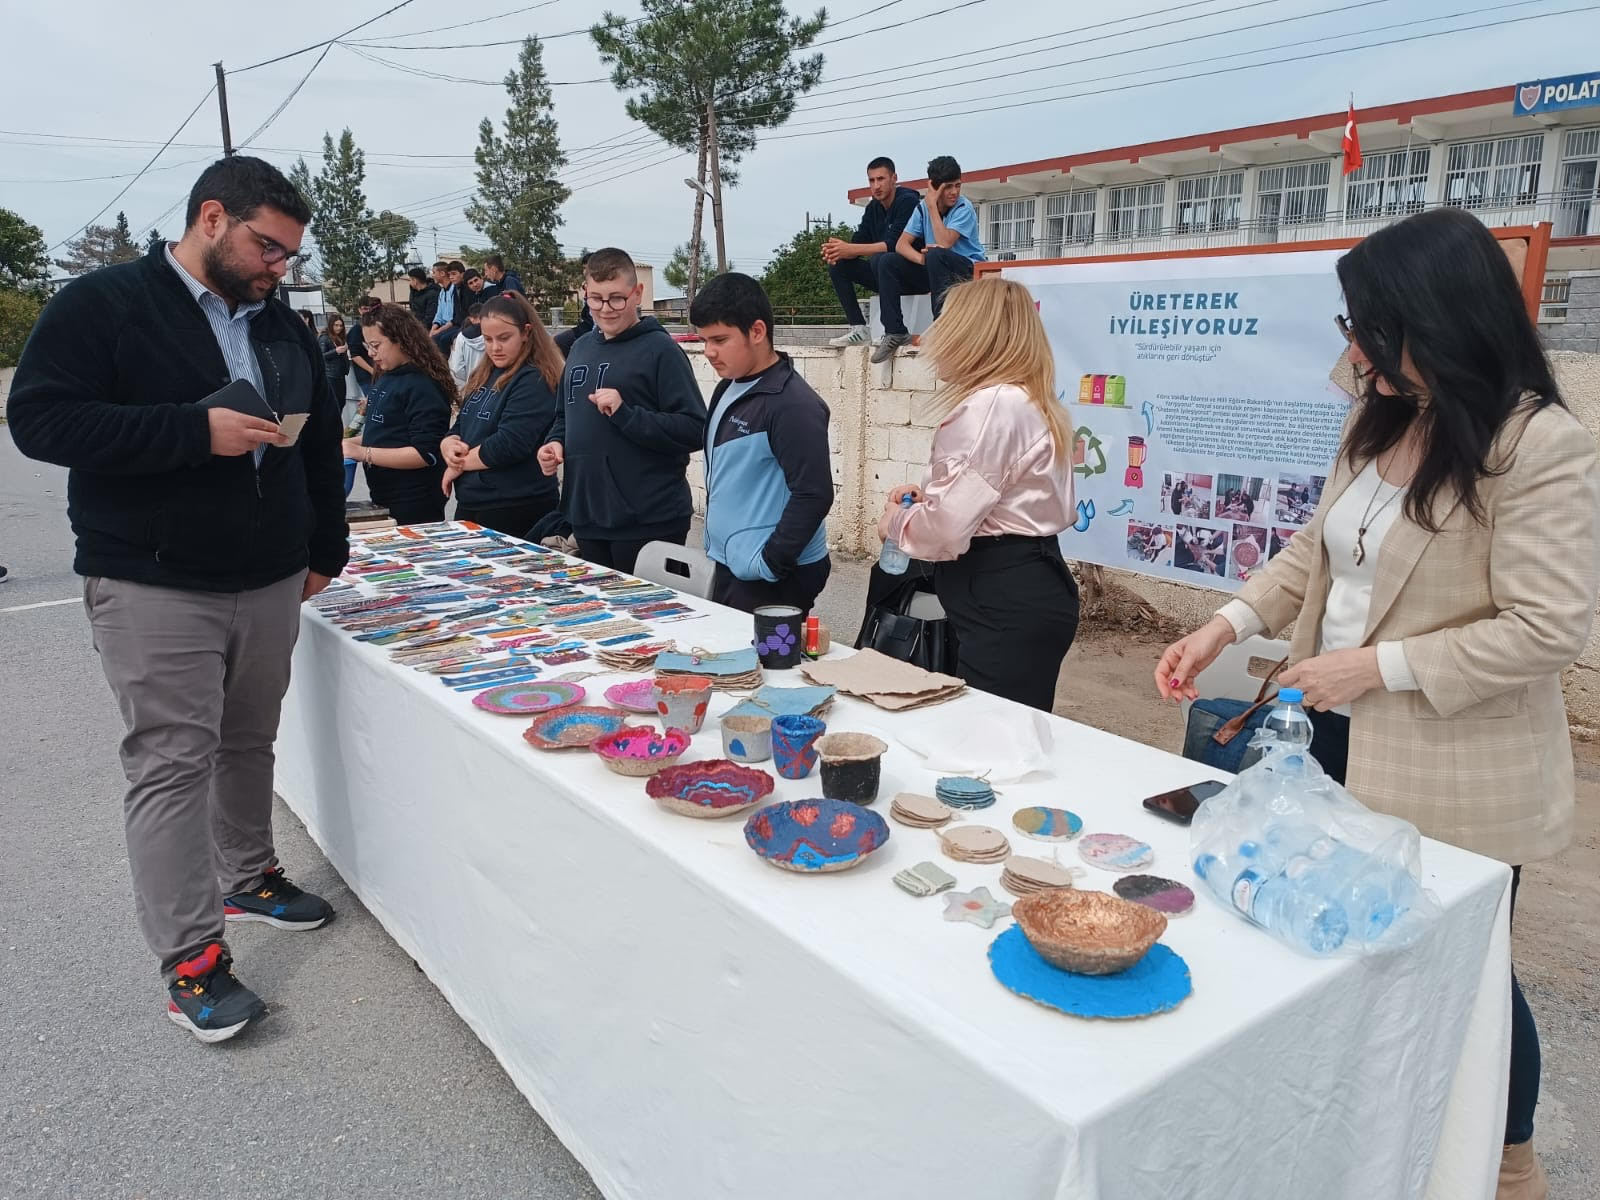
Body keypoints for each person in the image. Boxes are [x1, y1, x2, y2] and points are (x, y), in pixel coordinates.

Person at [1154, 207, 1600, 1200]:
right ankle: (1358, 1124)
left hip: (1452, 765)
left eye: (1369, 327)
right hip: (1328, 741)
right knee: (1332, 938)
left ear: (1434, 319)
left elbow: (1544, 629)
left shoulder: (1538, 445)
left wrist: (1375, 667)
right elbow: (1314, 550)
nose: (1354, 349)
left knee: (1466, 970)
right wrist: (1224, 625)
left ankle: (1506, 1156)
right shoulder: (1384, 412)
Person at [7, 154, 348, 1043]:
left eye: (289, 256)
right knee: (169, 765)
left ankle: (250, 876)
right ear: (210, 219)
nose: (282, 268)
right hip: (152, 580)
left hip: (270, 574)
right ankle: (192, 961)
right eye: (269, 248)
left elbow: (314, 443)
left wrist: (325, 549)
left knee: (249, 741)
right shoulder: (106, 303)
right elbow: (42, 420)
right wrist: (193, 431)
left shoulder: (280, 326)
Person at [875, 277, 1077, 710]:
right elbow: (990, 498)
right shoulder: (1025, 400)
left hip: (1001, 592)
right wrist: (929, 497)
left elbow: (944, 531)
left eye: (946, 324)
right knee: (1007, 730)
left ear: (975, 335)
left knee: (991, 742)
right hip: (1026, 581)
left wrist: (895, 521)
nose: (932, 338)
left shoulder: (992, 405)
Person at [537, 246, 707, 574]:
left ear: (637, 293)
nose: (606, 309)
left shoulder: (661, 350)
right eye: (596, 299)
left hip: (649, 519)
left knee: (652, 621)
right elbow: (564, 417)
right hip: (586, 516)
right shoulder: (580, 347)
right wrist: (554, 443)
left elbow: (695, 428)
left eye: (617, 298)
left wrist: (626, 413)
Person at [690, 272, 833, 613]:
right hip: (732, 564)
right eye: (704, 340)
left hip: (769, 576)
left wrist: (769, 563)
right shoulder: (730, 386)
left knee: (763, 666)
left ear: (757, 331)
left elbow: (814, 493)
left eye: (720, 340)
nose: (709, 352)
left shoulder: (793, 404)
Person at [442, 293, 563, 537]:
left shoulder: (535, 378)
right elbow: (462, 425)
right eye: (488, 339)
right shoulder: (484, 374)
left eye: (504, 338)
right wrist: (449, 444)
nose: (495, 348)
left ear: (526, 332)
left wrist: (459, 465)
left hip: (516, 506)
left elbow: (510, 443)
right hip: (473, 502)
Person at [344, 303, 453, 526]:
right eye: (367, 346)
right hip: (384, 495)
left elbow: (425, 454)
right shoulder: (386, 376)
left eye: (376, 345)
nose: (371, 353)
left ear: (401, 340)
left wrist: (362, 452)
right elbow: (387, 434)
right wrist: (346, 445)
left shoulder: (422, 385)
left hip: (415, 501)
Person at [872, 155, 986, 364]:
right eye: (948, 187)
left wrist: (933, 206)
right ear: (934, 187)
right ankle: (895, 331)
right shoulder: (921, 209)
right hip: (937, 265)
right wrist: (923, 260)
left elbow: (945, 242)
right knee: (886, 260)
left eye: (957, 185)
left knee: (936, 253)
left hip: (968, 271)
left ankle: (941, 329)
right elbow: (901, 245)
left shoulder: (963, 208)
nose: (954, 192)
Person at [823, 157, 920, 348]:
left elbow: (895, 244)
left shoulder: (908, 201)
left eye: (881, 179)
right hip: (887, 277)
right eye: (871, 180)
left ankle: (894, 331)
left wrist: (851, 249)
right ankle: (859, 329)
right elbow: (859, 242)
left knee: (882, 259)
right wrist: (837, 251)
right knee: (839, 266)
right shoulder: (873, 208)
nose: (876, 186)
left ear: (894, 178)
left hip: (915, 274)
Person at [554, 252, 596, 356]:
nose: (585, 272)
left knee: (560, 341)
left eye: (588, 268)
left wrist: (595, 337)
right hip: (585, 327)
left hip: (591, 329)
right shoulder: (588, 286)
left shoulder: (597, 288)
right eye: (584, 268)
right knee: (557, 341)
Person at [346, 294, 380, 402]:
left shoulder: (374, 326)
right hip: (366, 376)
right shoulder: (355, 330)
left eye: (369, 308)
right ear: (359, 310)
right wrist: (372, 370)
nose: (367, 311)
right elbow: (355, 356)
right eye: (364, 308)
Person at [449, 302, 487, 388]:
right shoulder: (491, 334)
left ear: (471, 318)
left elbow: (457, 368)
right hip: (490, 382)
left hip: (470, 385)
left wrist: (469, 378)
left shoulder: (461, 337)